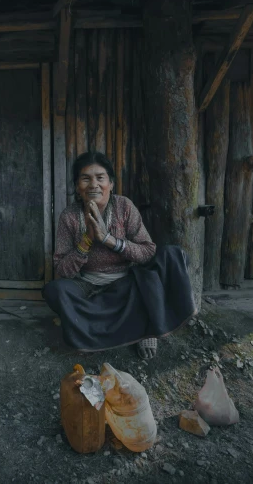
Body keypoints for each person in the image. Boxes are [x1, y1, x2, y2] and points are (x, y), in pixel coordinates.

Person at [42, 152, 197, 359]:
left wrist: (108, 239)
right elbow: (62, 269)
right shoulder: (69, 216)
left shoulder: (124, 207)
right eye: (86, 178)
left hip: (127, 282)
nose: (93, 184)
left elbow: (148, 251)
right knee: (55, 290)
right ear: (77, 187)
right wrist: (87, 239)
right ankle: (102, 333)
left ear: (111, 184)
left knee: (170, 256)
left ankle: (149, 329)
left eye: (100, 178)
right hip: (89, 286)